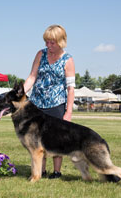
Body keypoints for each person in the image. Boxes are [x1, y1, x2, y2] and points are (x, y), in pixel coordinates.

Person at [24, 24, 75, 179]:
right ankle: (41, 170)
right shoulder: (41, 54)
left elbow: (71, 88)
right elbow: (32, 76)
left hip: (57, 104)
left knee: (56, 139)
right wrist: (22, 92)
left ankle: (57, 172)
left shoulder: (68, 60)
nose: (48, 45)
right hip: (37, 103)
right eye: (47, 41)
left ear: (61, 41)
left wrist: (68, 111)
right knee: (37, 138)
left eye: (52, 42)